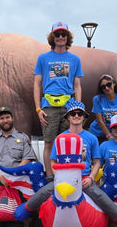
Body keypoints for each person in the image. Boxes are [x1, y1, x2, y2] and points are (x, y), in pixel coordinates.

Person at [33, 21, 83, 176]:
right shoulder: (43, 58)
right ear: (52, 37)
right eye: (57, 34)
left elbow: (77, 85)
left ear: (68, 37)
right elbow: (37, 84)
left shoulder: (75, 59)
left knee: (68, 141)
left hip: (68, 105)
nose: (60, 37)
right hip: (48, 105)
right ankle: (49, 176)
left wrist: (78, 107)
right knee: (49, 142)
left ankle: (67, 174)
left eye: (63, 34)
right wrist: (38, 109)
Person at [89, 74, 117, 142]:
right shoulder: (97, 99)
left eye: (108, 84)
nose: (107, 88)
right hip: (98, 133)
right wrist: (109, 136)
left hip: (116, 132)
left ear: (114, 83)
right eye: (103, 87)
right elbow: (100, 121)